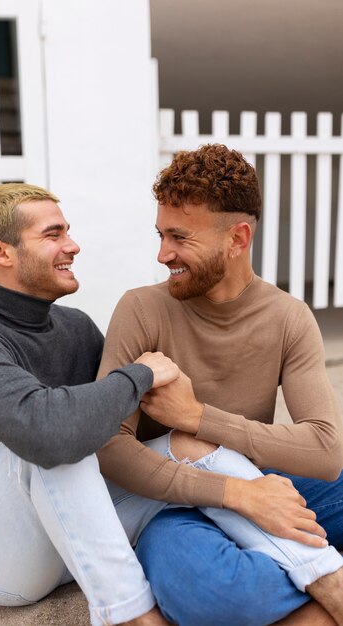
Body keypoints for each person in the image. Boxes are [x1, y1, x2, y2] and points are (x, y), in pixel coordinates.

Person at [96, 144, 343, 626]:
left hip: (269, 488)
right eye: (160, 234)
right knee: (216, 594)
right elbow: (109, 445)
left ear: (238, 238)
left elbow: (325, 450)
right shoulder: (141, 310)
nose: (162, 253)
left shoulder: (288, 317)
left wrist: (197, 417)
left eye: (179, 237)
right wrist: (229, 490)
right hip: (176, 502)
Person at [0, 182, 181, 626]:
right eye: (53, 234)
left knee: (191, 452)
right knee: (49, 438)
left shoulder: (77, 327)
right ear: (1, 253)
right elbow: (49, 433)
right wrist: (139, 374)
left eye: (68, 232)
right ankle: (134, 617)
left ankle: (315, 572)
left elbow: (129, 423)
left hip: (67, 540)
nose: (73, 245)